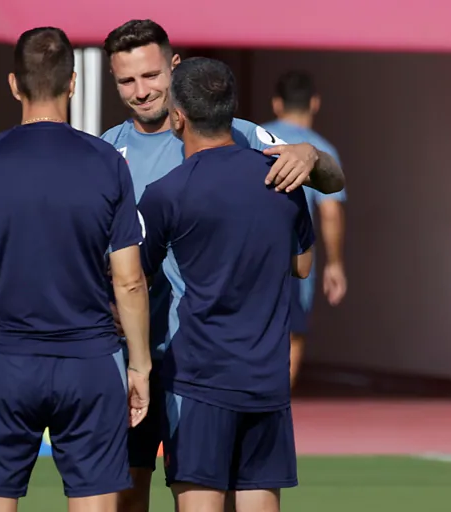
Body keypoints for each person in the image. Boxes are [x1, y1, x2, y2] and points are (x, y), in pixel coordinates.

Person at [98, 19, 344, 512]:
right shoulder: (106, 151)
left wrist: (311, 155)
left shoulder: (246, 135)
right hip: (136, 358)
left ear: (175, 67)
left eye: (150, 76)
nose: (141, 92)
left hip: (206, 364)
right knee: (127, 495)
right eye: (126, 81)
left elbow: (333, 183)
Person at [0, 27, 153, 512]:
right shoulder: (107, 162)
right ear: (72, 83)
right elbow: (130, 279)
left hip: (4, 363)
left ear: (14, 84)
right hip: (91, 363)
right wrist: (139, 363)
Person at [138, 56, 313, 512]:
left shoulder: (166, 193)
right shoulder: (282, 180)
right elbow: (305, 263)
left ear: (178, 116)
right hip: (267, 381)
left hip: (199, 380)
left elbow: (132, 280)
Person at [262, 70, 348, 386]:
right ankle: (276, 405)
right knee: (292, 335)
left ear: (276, 103)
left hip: (251, 254)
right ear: (315, 103)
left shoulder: (255, 139)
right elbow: (329, 212)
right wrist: (336, 265)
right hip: (292, 261)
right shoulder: (321, 150)